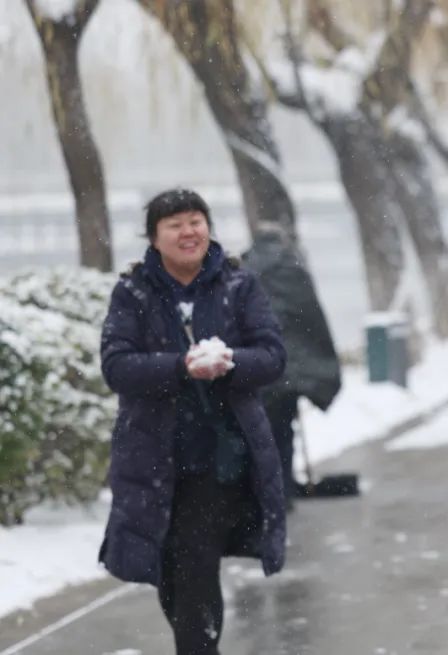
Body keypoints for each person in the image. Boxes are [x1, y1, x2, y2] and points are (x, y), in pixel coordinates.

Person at [99, 189, 287, 654]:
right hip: (153, 456)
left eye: (195, 221)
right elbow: (117, 366)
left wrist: (229, 361)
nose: (188, 232)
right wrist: (180, 367)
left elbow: (273, 356)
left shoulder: (238, 284)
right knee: (171, 567)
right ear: (154, 238)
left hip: (219, 457)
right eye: (175, 224)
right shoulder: (133, 292)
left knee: (195, 560)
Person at [242, 224, 342, 503]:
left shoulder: (245, 271)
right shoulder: (294, 271)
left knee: (263, 433)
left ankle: (269, 491)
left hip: (261, 366)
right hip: (291, 369)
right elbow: (312, 320)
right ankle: (283, 489)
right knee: (284, 431)